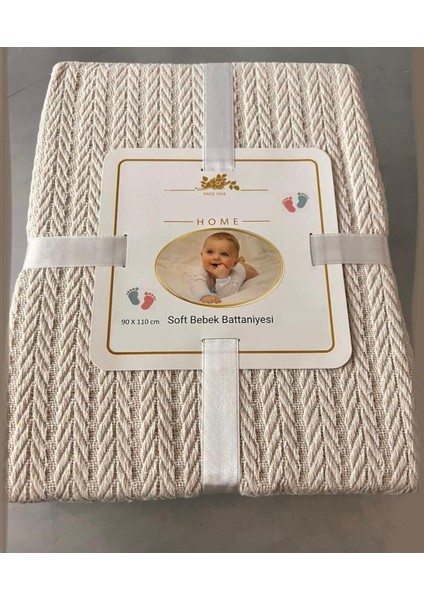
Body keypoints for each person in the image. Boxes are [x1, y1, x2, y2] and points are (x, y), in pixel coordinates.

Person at [191, 232, 259, 304]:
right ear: (202, 255)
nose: (216, 257)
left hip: (241, 269)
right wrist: (204, 296)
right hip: (234, 263)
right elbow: (197, 284)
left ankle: (241, 262)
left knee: (255, 274)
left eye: (224, 254)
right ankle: (240, 260)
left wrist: (223, 278)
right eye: (210, 252)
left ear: (234, 263)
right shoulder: (201, 271)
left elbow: (229, 296)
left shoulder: (235, 274)